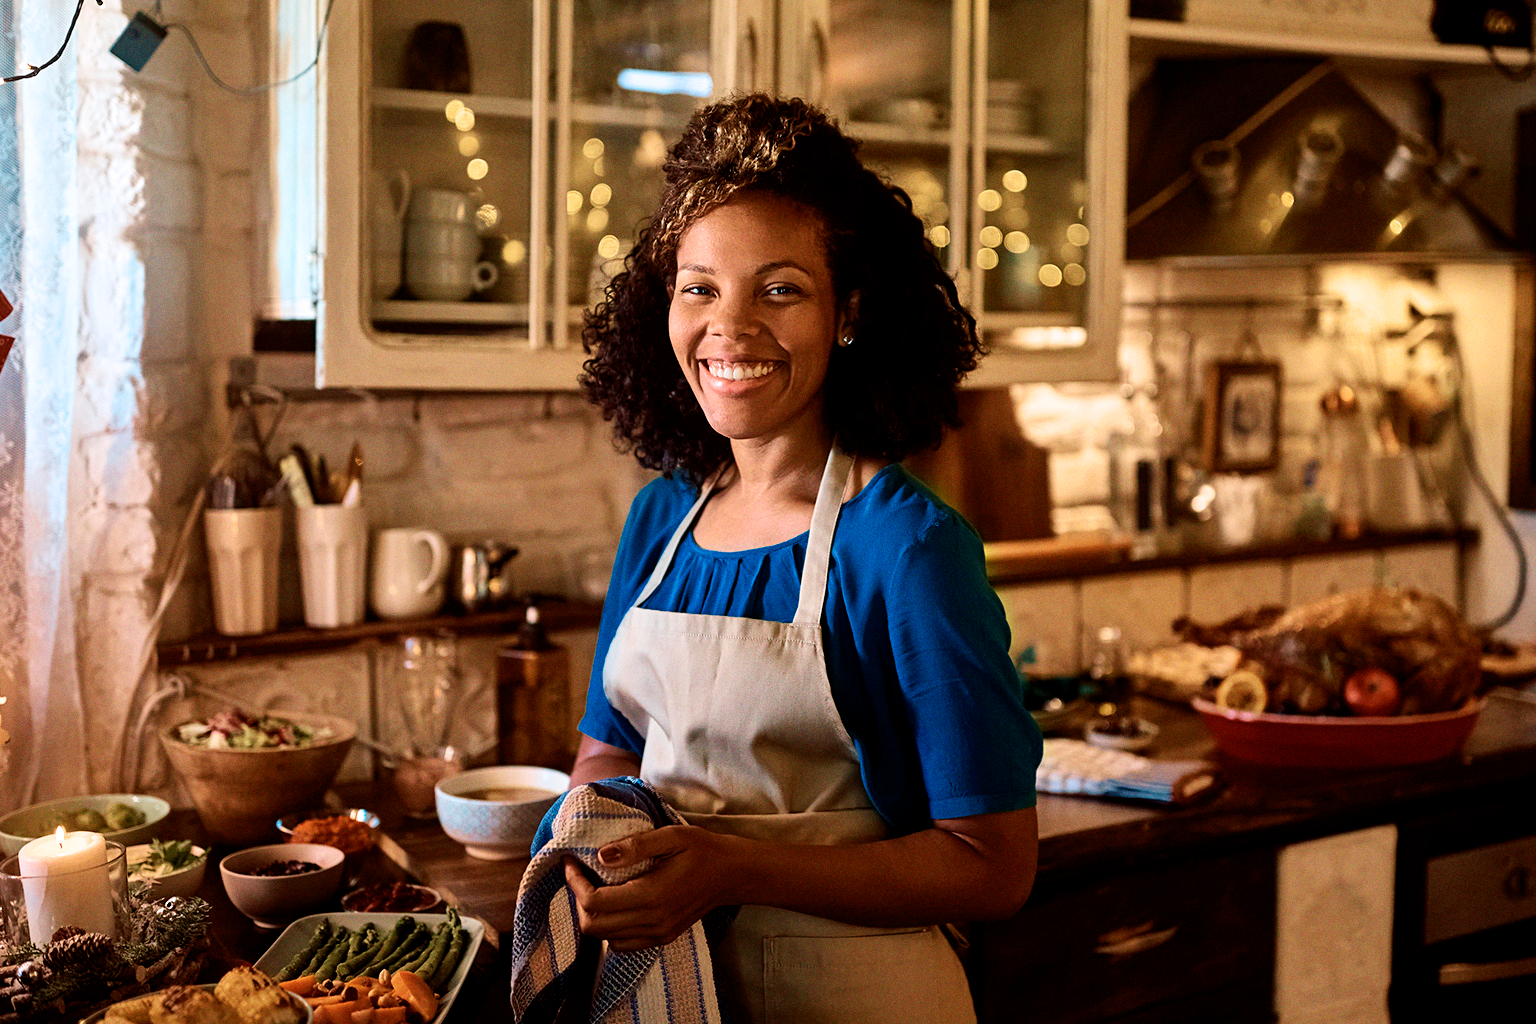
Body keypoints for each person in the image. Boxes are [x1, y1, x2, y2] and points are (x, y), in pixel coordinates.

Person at [571, 92, 1042, 1023]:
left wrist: (730, 869)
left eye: (778, 289)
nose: (729, 330)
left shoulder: (909, 551)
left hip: (862, 995)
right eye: (699, 287)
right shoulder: (661, 519)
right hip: (669, 991)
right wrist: (590, 845)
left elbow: (994, 865)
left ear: (848, 313)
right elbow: (607, 747)